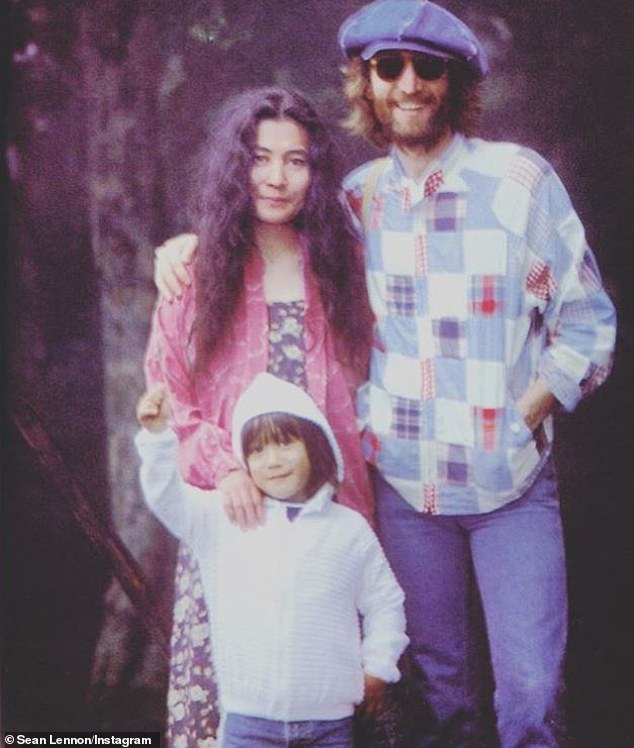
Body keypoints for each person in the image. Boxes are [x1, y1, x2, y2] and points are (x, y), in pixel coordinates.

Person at [152, 2, 617, 746]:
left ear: (455, 80)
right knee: (438, 692)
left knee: (529, 694)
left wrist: (528, 408)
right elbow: (262, 221)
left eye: (428, 67)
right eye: (389, 67)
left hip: (511, 489)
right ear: (364, 84)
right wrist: (183, 245)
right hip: (405, 490)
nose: (409, 83)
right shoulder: (354, 202)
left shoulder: (519, 183)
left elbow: (587, 322)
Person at [144, 86, 375, 746]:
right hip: (234, 526)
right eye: (259, 157)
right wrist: (224, 470)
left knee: (325, 704)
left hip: (330, 526)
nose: (276, 177)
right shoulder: (196, 270)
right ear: (233, 165)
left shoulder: (344, 266)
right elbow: (170, 397)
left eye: (296, 160)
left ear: (317, 171)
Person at [135, 373, 409, 748]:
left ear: (315, 444)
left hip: (329, 724)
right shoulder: (223, 518)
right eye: (258, 450)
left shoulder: (348, 530)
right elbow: (167, 497)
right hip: (249, 724)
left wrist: (379, 667)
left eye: (285, 444)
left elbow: (385, 603)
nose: (273, 461)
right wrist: (158, 439)